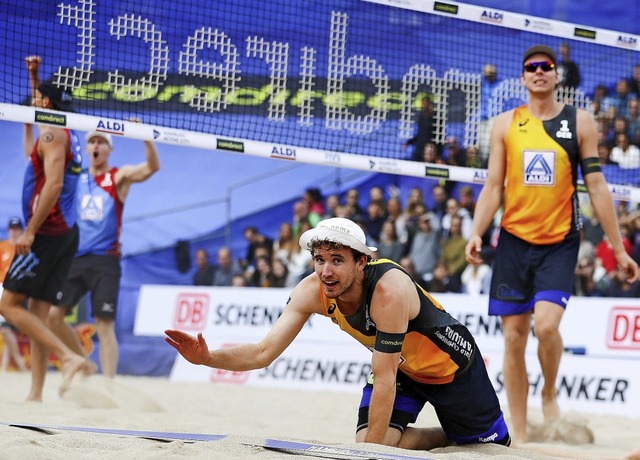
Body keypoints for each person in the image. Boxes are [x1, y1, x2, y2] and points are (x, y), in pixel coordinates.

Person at [166, 217, 511, 450]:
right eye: (319, 259)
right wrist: (207, 358)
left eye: (337, 259)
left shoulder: (388, 290)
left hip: (451, 367)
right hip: (404, 368)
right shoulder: (310, 290)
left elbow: (384, 376)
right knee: (372, 442)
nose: (325, 271)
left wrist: (370, 457)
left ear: (361, 262)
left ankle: (463, 437)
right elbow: (262, 353)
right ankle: (448, 438)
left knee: (489, 448)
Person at [465, 44, 639, 445]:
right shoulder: (505, 124)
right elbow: (493, 186)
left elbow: (595, 186)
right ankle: (522, 438)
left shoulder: (580, 123)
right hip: (512, 241)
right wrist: (477, 231)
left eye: (546, 67)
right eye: (532, 67)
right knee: (512, 338)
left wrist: (620, 248)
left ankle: (548, 389)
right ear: (523, 77)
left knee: (545, 327)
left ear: (557, 76)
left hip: (559, 242)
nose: (539, 71)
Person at [0, 55, 87, 401]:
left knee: (8, 305)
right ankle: (35, 393)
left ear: (45, 103)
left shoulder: (51, 135)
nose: (32, 102)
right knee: (37, 312)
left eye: (37, 97)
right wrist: (33, 77)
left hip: (47, 233)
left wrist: (30, 230)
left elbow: (52, 186)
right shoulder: (65, 130)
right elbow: (40, 116)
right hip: (66, 232)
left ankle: (69, 357)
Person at [49, 127, 160, 379]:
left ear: (109, 149)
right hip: (75, 258)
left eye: (101, 142)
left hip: (105, 261)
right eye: (92, 142)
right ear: (87, 149)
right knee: (53, 317)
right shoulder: (77, 178)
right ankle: (83, 362)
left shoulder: (118, 177)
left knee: (104, 325)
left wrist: (146, 137)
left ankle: (109, 384)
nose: (96, 146)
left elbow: (152, 167)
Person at [0, 217, 28, 373]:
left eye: (17, 228)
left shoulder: (25, 248)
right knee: (5, 328)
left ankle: (5, 366)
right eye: (12, 228)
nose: (15, 231)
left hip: (19, 290)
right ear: (9, 229)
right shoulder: (2, 246)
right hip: (2, 288)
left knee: (9, 328)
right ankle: (19, 362)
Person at [403, 95, 434, 162]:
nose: (424, 106)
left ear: (429, 104)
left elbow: (439, 135)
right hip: (419, 148)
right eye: (423, 104)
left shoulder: (435, 118)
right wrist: (408, 142)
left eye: (425, 103)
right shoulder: (421, 117)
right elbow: (419, 134)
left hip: (429, 149)